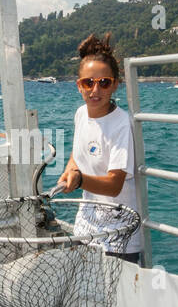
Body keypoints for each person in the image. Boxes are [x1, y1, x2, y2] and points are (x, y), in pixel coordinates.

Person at [56, 33, 144, 264]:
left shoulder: (121, 125)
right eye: (88, 83)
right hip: (86, 224)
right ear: (79, 86)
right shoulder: (80, 114)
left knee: (118, 299)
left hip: (119, 234)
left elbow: (115, 185)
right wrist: (70, 172)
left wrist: (81, 180)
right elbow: (78, 152)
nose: (95, 90)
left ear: (115, 84)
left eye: (104, 82)